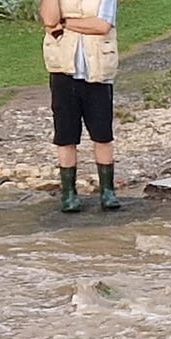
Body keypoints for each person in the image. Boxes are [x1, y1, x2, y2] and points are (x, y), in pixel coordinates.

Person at [40, 0, 121, 214]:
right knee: (65, 135)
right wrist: (64, 20)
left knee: (102, 134)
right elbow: (50, 20)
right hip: (63, 70)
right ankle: (69, 193)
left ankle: (107, 191)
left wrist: (65, 22)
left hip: (98, 71)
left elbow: (101, 25)